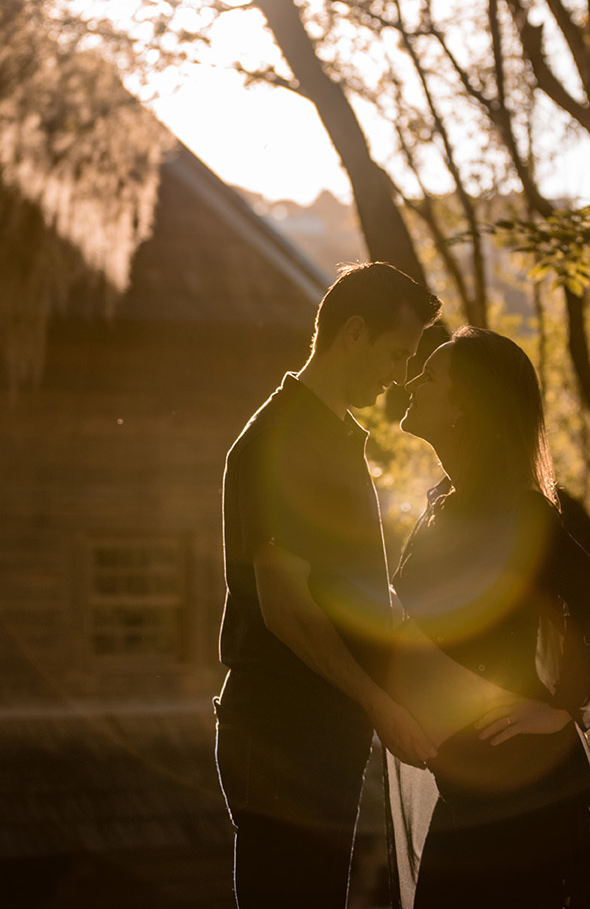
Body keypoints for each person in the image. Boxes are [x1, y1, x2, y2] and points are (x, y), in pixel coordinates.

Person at [215, 261, 443, 909]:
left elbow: (347, 593)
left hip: (320, 725)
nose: (398, 375)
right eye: (396, 352)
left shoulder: (334, 436)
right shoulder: (282, 441)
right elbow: (287, 609)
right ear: (352, 333)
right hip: (282, 729)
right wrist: (379, 702)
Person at [385, 326, 590, 909]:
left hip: (522, 799)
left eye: (431, 377)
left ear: (466, 407)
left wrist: (560, 710)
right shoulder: (449, 503)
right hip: (469, 792)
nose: (413, 382)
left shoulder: (515, 510)